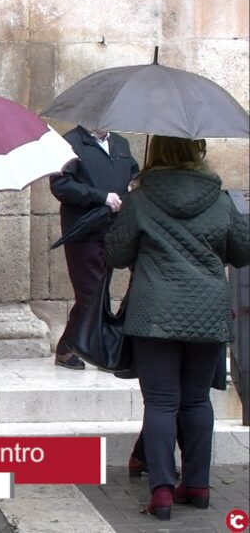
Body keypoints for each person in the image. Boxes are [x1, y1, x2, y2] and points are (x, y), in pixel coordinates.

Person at [104, 136, 248, 521]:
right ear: (195, 151)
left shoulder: (140, 199)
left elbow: (116, 255)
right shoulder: (220, 199)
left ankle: (162, 493)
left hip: (155, 313)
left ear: (156, 152)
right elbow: (243, 251)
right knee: (197, 400)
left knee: (162, 403)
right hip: (207, 312)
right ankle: (198, 485)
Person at [50, 125, 139, 369]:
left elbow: (133, 172)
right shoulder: (71, 142)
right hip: (84, 231)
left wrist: (133, 185)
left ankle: (70, 349)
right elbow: (60, 185)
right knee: (91, 293)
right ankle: (86, 350)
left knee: (99, 293)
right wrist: (101, 196)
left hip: (114, 229)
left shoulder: (120, 143)